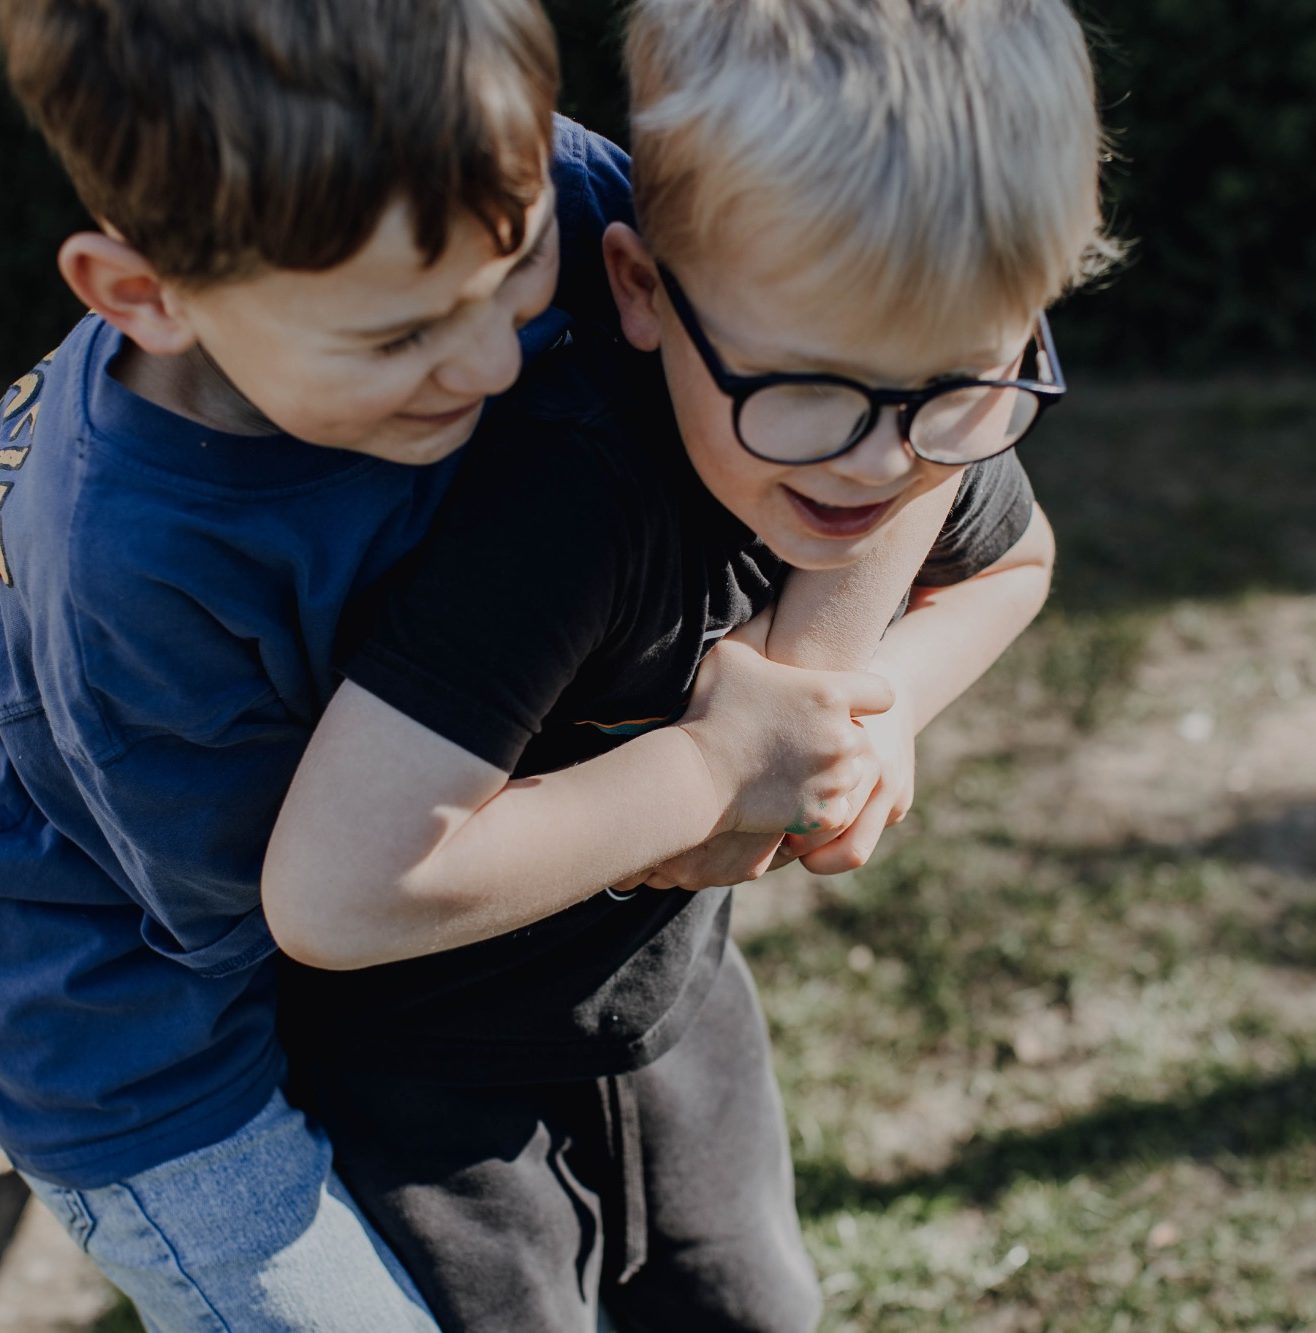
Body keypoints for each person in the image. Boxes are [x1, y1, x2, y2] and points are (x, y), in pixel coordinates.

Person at [0, 1, 948, 1327]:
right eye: (400, 337)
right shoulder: (138, 571)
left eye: (520, 264)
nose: (497, 356)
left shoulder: (491, 176)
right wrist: (708, 771)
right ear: (144, 295)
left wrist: (819, 680)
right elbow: (329, 904)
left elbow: (898, 346)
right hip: (137, 1030)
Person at [261, 0, 1118, 1327]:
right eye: (805, 388)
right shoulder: (570, 508)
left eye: (964, 385)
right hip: (433, 1090)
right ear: (643, 291)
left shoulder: (888, 416)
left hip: (673, 1011)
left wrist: (873, 713)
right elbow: (336, 893)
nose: (880, 462)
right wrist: (713, 772)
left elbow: (1013, 563)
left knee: (750, 1305)